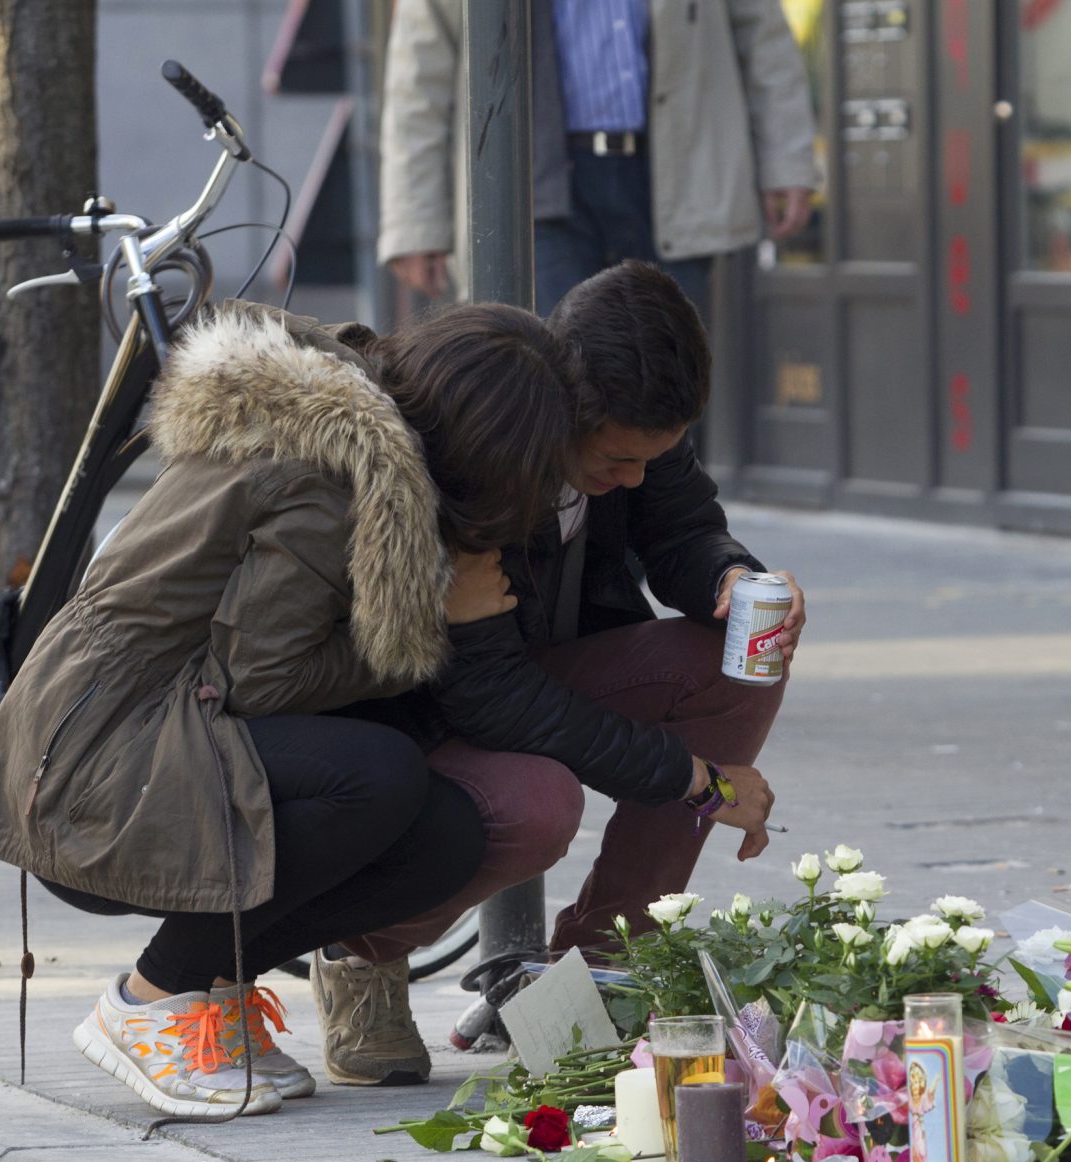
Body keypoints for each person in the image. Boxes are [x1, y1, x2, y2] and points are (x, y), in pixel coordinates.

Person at [0, 301, 573, 1119]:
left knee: (448, 835)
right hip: (90, 768)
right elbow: (261, 682)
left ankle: (214, 988)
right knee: (377, 776)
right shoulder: (328, 480)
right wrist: (439, 622)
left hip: (157, 729)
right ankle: (149, 999)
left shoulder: (362, 448)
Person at [314, 260, 802, 1077]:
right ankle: (362, 951)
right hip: (423, 708)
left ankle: (600, 969)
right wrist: (700, 782)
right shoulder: (479, 441)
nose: (634, 478)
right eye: (617, 459)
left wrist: (730, 578)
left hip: (532, 670)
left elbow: (682, 526)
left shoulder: (631, 432)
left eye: (658, 455)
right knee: (539, 806)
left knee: (739, 657)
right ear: (563, 406)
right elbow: (494, 698)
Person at [378, 0, 817, 320]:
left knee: (669, 399)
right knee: (550, 391)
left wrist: (788, 160)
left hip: (677, 178)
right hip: (535, 190)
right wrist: (414, 220)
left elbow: (763, 37)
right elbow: (420, 75)